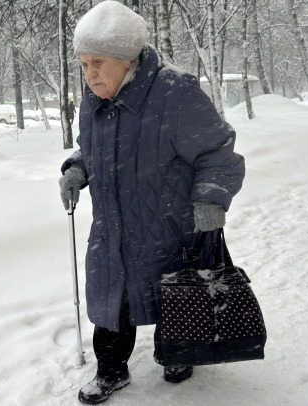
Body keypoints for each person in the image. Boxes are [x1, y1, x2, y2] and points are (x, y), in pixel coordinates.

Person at [58, 1, 245, 404]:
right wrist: (77, 169)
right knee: (112, 298)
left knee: (172, 290)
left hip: (168, 225)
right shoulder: (92, 101)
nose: (89, 75)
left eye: (97, 63)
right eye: (83, 63)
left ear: (127, 61)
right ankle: (110, 370)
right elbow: (90, 148)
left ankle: (176, 353)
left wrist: (212, 197)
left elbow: (217, 152)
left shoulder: (175, 91)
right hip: (111, 227)